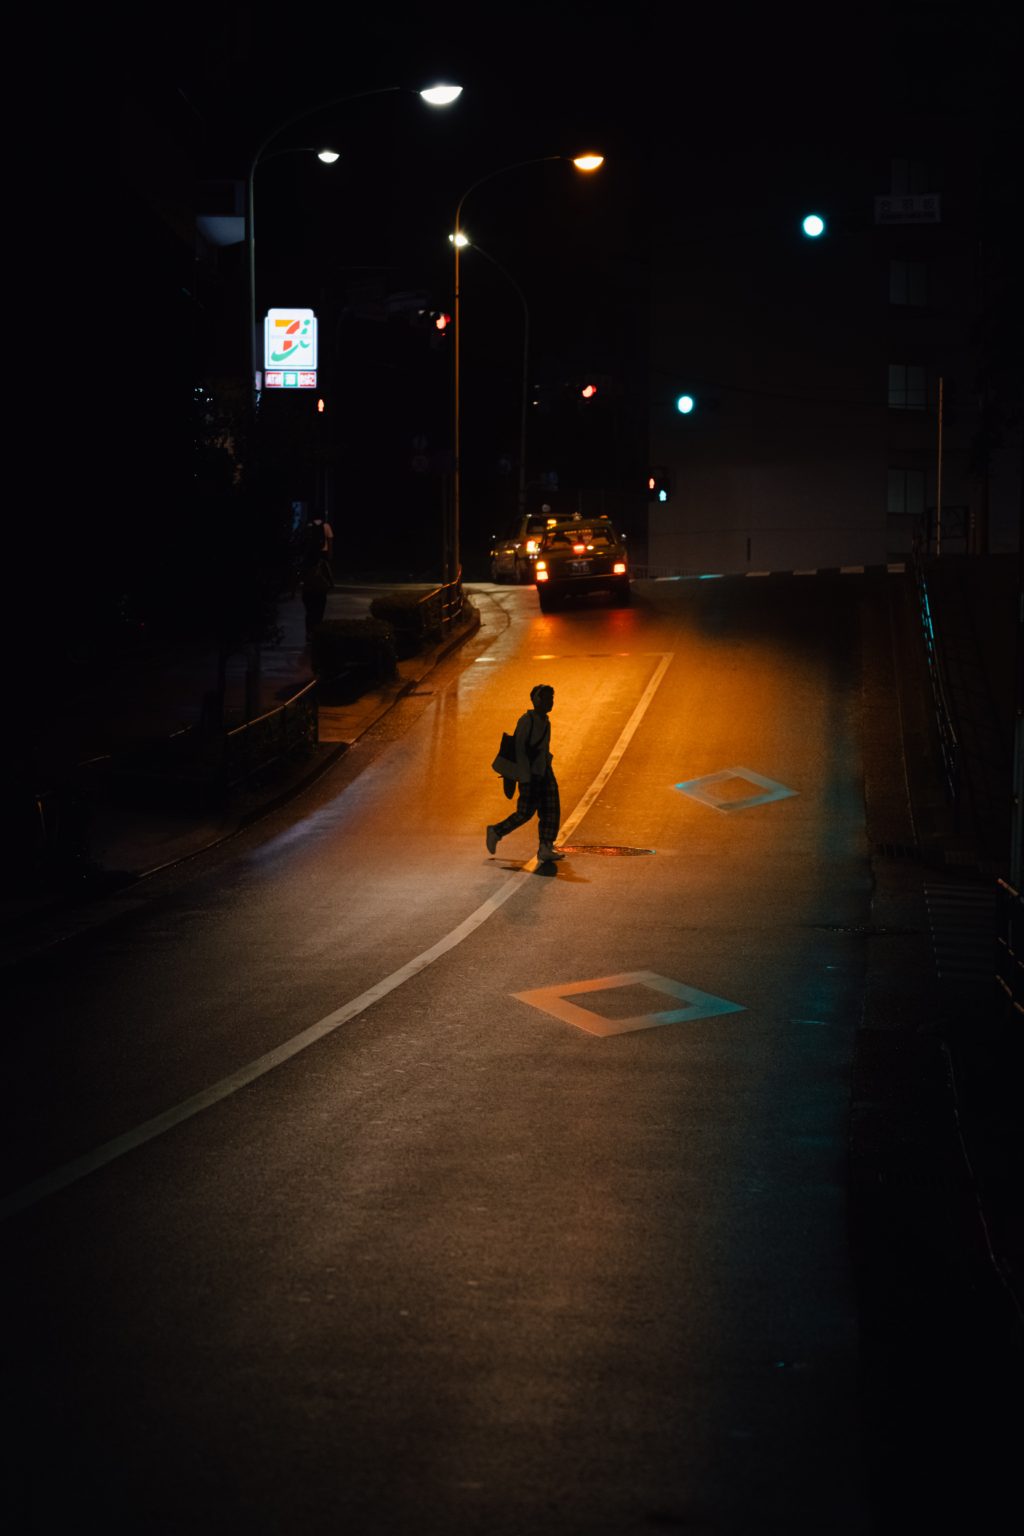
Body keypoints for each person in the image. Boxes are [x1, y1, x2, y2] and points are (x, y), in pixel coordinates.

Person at [486, 684, 564, 862]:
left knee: (551, 809)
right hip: (530, 774)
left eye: (551, 698)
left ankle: (545, 846)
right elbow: (519, 749)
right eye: (546, 698)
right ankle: (496, 831)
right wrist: (525, 777)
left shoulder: (545, 722)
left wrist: (545, 768)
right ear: (537, 700)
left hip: (544, 771)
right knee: (525, 812)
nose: (550, 702)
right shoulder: (526, 721)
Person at [298, 513, 334, 638]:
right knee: (319, 610)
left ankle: (309, 632)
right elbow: (330, 540)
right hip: (320, 586)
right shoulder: (326, 526)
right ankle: (317, 631)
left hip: (308, 588)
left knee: (309, 611)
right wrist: (329, 555)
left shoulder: (308, 526)